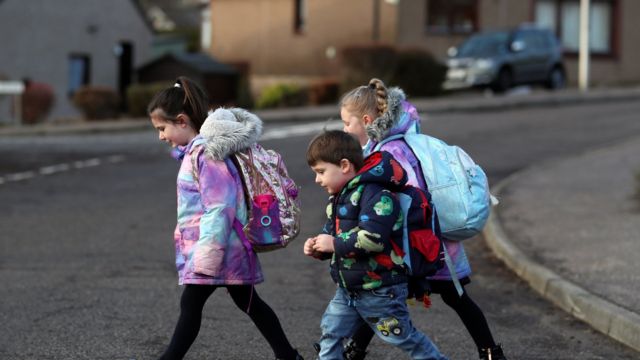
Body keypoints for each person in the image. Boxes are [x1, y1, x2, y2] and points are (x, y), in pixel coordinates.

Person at [339, 78, 507, 360]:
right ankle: (491, 353)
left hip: (417, 245)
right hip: (435, 243)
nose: (344, 129)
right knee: (455, 298)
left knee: (383, 294)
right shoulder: (405, 143)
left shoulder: (387, 153)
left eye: (347, 123)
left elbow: (409, 199)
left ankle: (353, 350)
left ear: (366, 121)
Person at [148, 76, 303, 360]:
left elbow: (220, 206)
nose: (160, 135)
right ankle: (288, 356)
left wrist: (206, 255)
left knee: (193, 305)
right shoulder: (196, 152)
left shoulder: (207, 154)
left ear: (182, 121)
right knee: (249, 303)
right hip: (224, 246)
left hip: (219, 248)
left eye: (162, 128)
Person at [304, 130, 448, 360]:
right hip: (349, 288)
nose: (317, 180)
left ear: (344, 166)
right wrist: (319, 247)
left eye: (321, 172)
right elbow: (333, 232)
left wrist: (333, 244)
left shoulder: (378, 196)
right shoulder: (341, 196)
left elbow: (373, 239)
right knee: (331, 334)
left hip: (380, 289)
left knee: (403, 337)